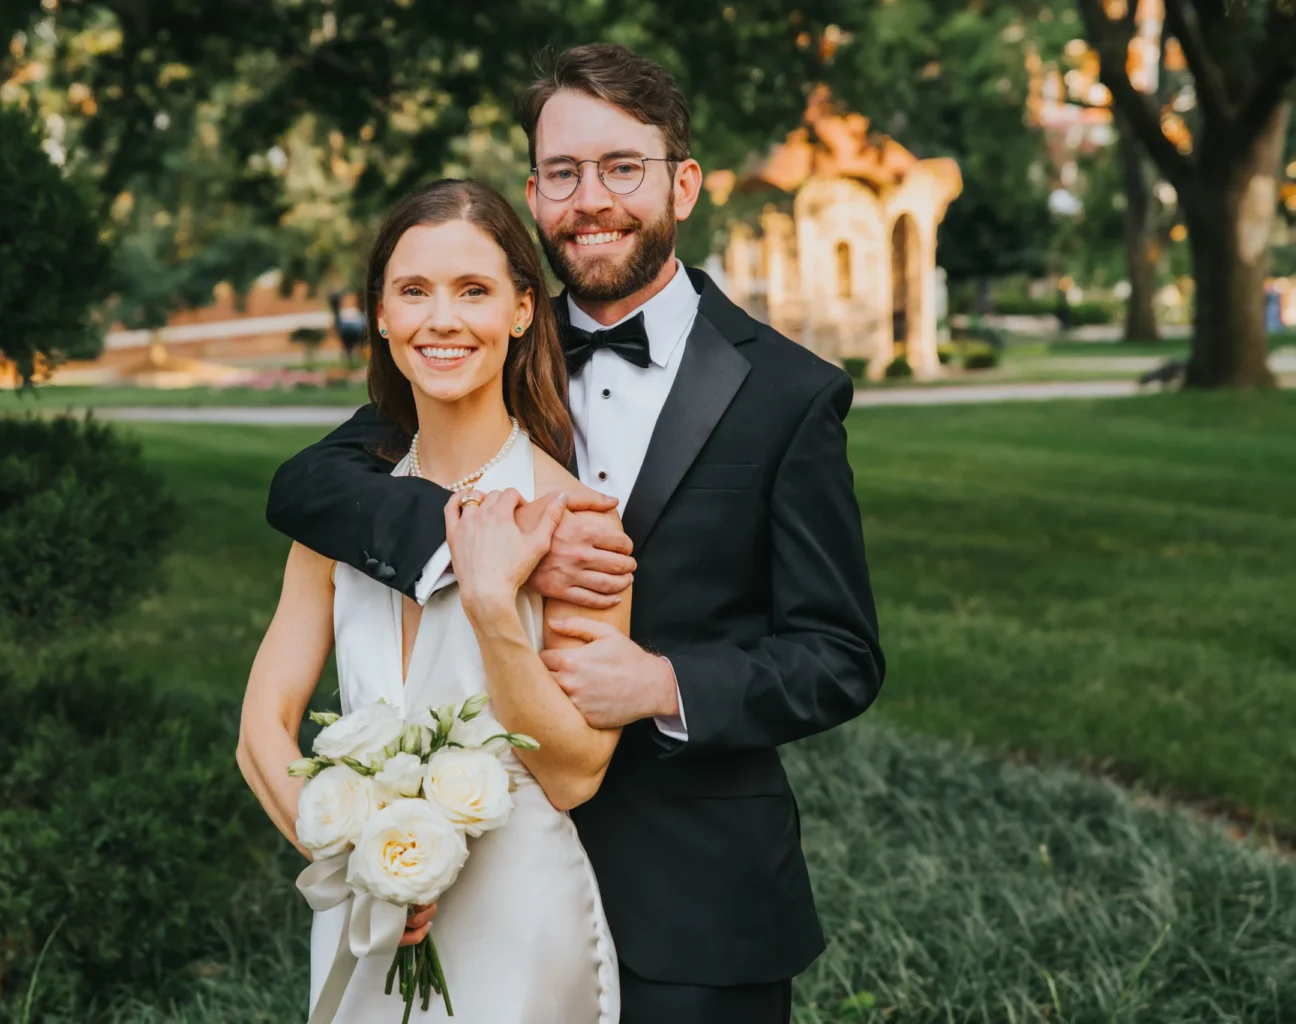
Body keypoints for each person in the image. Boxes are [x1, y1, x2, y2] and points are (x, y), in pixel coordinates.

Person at [257, 44, 886, 1024]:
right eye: (563, 173)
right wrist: (501, 539)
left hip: (695, 898)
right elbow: (313, 484)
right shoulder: (484, 337)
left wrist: (662, 682)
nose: (591, 199)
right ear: (535, 192)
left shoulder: (789, 396)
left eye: (621, 168)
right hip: (478, 886)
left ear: (684, 183)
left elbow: (840, 655)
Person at [238, 178, 625, 1023]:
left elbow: (575, 774)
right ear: (380, 314)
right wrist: (355, 859)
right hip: (369, 916)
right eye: (414, 291)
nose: (441, 320)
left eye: (473, 291)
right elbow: (261, 726)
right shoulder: (340, 513)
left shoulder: (576, 524)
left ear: (524, 312)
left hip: (517, 925)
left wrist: (493, 611)